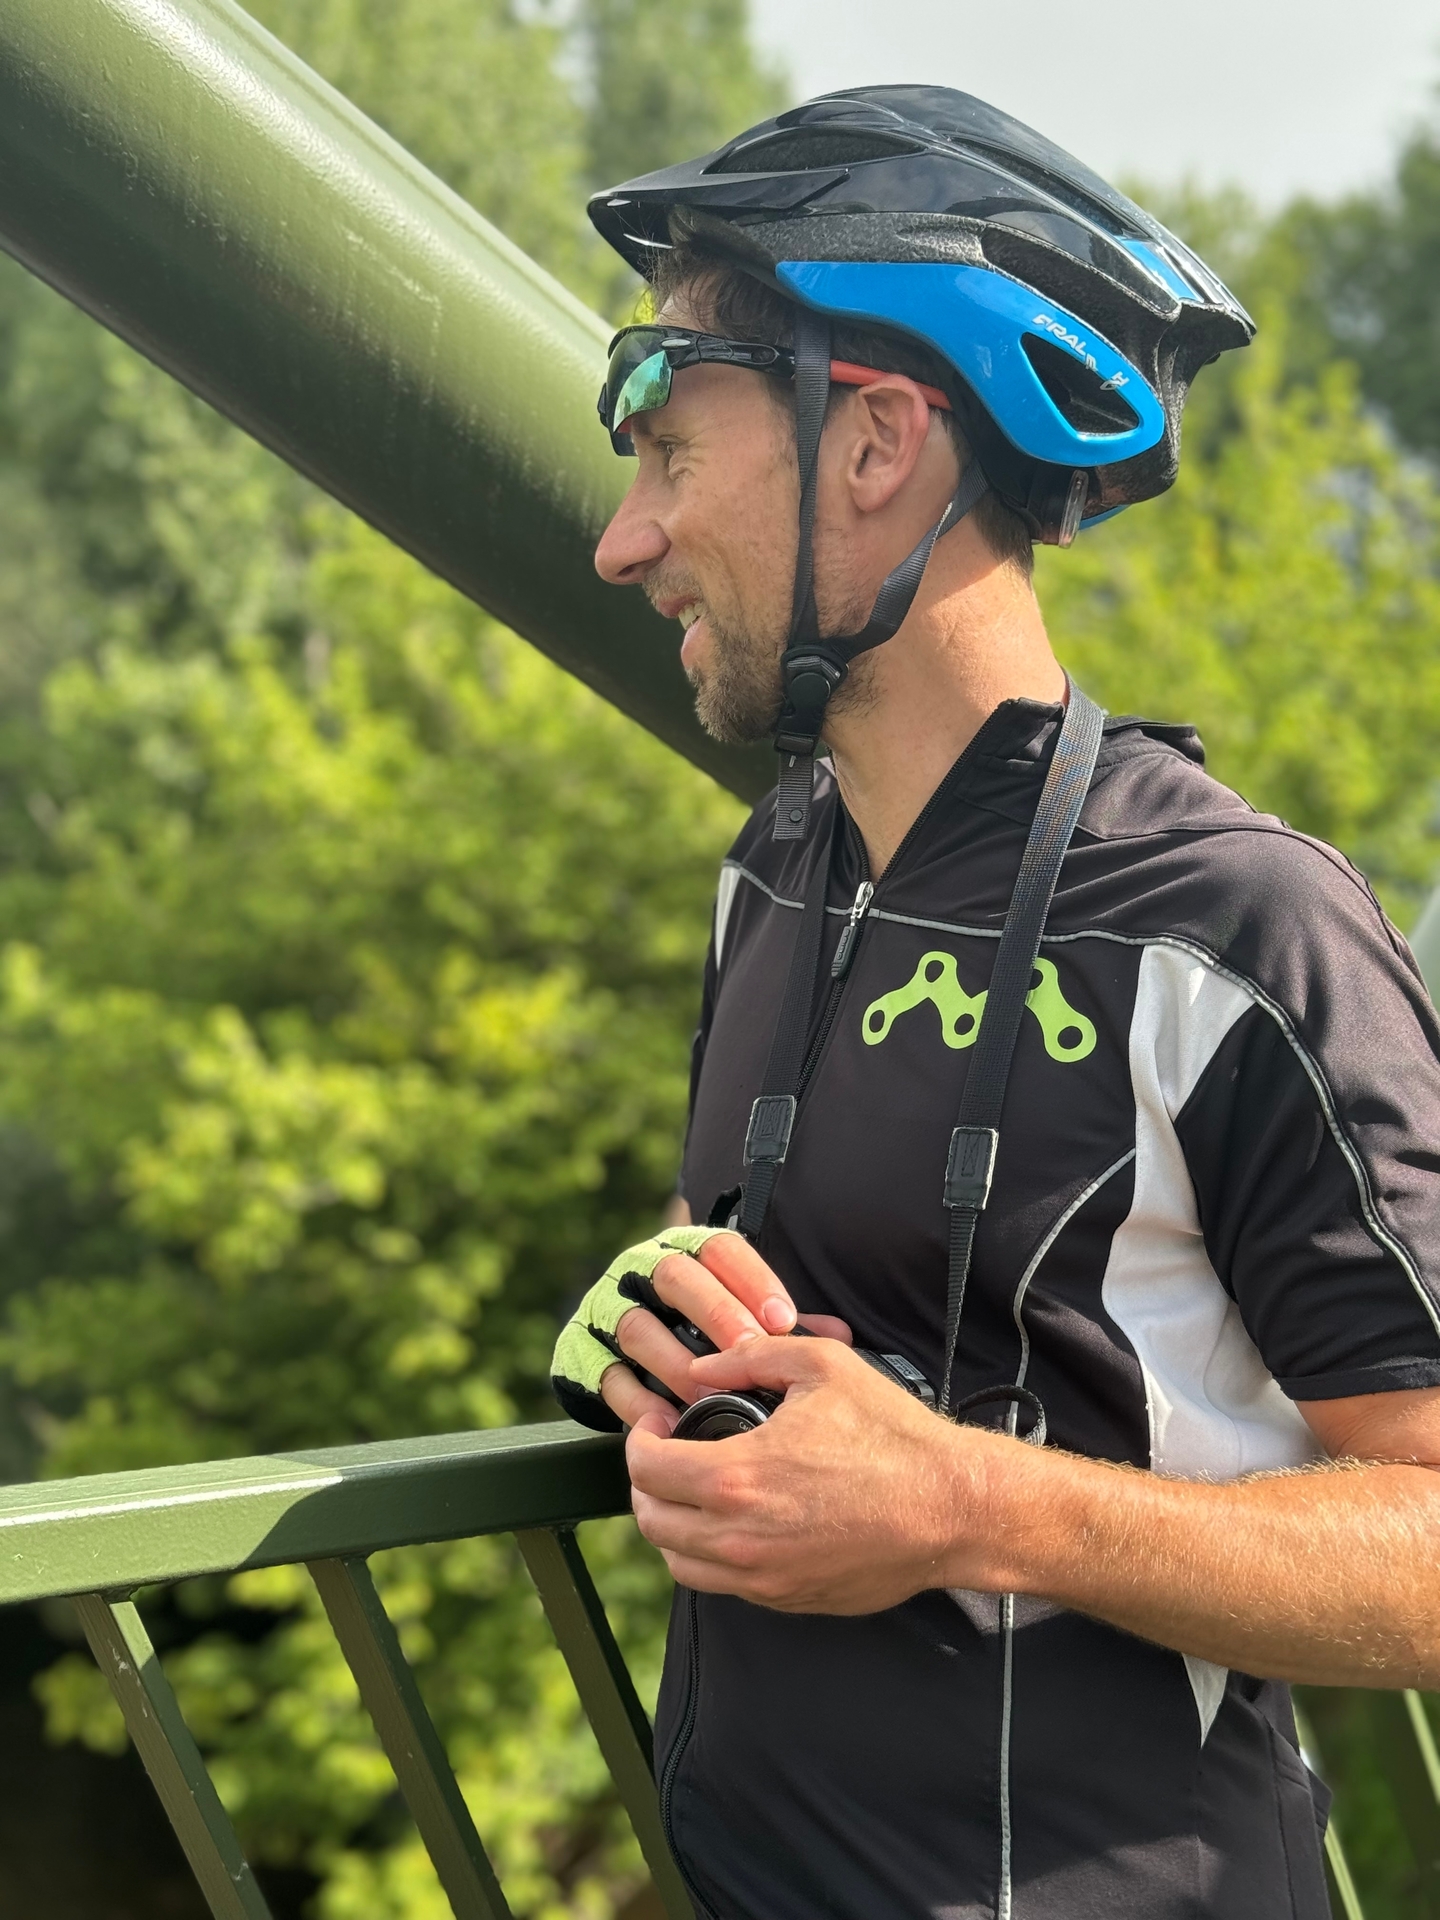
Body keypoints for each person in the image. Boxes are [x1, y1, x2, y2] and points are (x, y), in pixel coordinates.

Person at [551, 86, 1440, 1920]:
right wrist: (670, 1312)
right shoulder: (776, 870)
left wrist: (968, 1505)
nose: (623, 542)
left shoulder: (1234, 927)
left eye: (672, 451)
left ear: (876, 442)